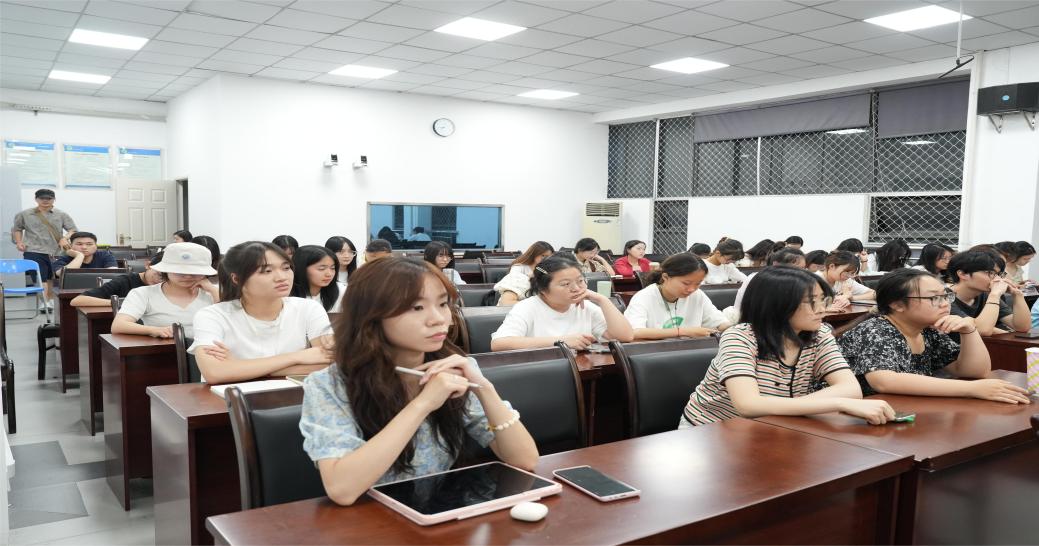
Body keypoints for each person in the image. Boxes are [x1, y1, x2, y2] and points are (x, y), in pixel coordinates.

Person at [299, 257, 538, 505]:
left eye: (443, 304)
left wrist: (485, 389)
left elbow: (525, 460)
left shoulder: (453, 369)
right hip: (370, 516)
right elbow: (342, 490)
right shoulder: (329, 385)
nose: (439, 319)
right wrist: (423, 403)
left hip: (437, 511)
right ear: (371, 315)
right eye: (416, 307)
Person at [679, 267, 893, 427]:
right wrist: (838, 403)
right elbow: (749, 405)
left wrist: (793, 408)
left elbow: (850, 389)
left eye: (823, 300)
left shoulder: (819, 334)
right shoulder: (739, 337)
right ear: (777, 305)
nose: (822, 309)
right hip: (713, 430)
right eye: (812, 302)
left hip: (779, 425)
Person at [839, 269, 1030, 404]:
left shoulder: (927, 330)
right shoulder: (875, 329)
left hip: (899, 410)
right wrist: (971, 389)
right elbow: (884, 381)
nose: (945, 304)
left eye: (945, 296)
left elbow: (974, 371)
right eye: (933, 298)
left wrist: (969, 331)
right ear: (897, 304)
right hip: (846, 421)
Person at [189, 241, 334, 384]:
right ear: (237, 278)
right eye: (267, 271)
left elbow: (332, 364)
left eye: (286, 268)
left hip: (292, 395)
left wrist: (240, 368)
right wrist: (298, 357)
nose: (282, 277)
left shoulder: (309, 308)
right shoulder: (212, 315)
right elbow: (215, 373)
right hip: (230, 397)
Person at [490, 255, 633, 351]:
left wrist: (602, 300)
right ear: (543, 289)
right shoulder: (527, 307)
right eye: (565, 284)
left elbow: (625, 337)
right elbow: (499, 344)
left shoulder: (585, 306)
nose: (576, 288)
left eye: (580, 281)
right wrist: (561, 341)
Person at [111, 242, 218, 338]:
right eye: (179, 271)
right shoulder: (143, 293)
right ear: (166, 270)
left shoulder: (214, 292)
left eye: (195, 272)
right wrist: (155, 330)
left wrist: (213, 290)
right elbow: (118, 325)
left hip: (213, 351)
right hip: (163, 351)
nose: (188, 276)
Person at [624, 253, 731, 340]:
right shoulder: (644, 297)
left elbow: (720, 323)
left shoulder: (697, 295)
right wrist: (682, 332)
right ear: (666, 277)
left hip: (691, 351)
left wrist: (734, 329)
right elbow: (634, 332)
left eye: (698, 283)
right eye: (686, 283)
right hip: (656, 353)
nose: (692, 289)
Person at [10, 188, 77, 303]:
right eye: (42, 198)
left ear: (54, 199)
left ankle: (49, 301)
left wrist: (65, 238)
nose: (45, 200)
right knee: (39, 277)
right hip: (33, 249)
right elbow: (17, 229)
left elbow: (73, 230)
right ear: (36, 199)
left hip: (56, 251)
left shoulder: (61, 214)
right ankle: (44, 303)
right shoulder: (25, 214)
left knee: (51, 277)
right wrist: (19, 242)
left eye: (49, 198)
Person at [946, 251, 1031, 337]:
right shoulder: (943, 298)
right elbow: (982, 330)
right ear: (963, 274)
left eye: (999, 274)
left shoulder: (984, 295)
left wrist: (1017, 294)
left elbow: (1022, 327)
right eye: (990, 273)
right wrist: (995, 295)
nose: (997, 279)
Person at [71, 251, 164, 307]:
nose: (161, 281)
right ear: (148, 265)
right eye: (160, 275)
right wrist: (119, 303)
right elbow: (78, 300)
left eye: (167, 278)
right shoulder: (124, 281)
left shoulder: (170, 284)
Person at [732, 248, 806, 312]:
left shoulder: (800, 283)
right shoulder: (757, 279)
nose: (800, 272)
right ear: (776, 264)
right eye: (795, 268)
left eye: (803, 268)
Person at [493, 241, 554, 306]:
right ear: (534, 254)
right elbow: (513, 284)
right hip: (515, 303)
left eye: (549, 257)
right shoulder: (518, 267)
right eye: (543, 256)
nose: (546, 259)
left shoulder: (547, 270)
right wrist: (530, 278)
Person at [291, 245, 346, 313]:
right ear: (302, 269)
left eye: (332, 268)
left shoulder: (342, 291)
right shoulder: (287, 295)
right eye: (321, 269)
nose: (329, 274)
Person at [52, 232, 117, 277]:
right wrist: (79, 256)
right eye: (79, 244)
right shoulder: (64, 259)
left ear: (96, 246)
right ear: (71, 246)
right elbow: (63, 275)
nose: (84, 247)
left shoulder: (105, 255)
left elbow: (114, 273)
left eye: (89, 244)